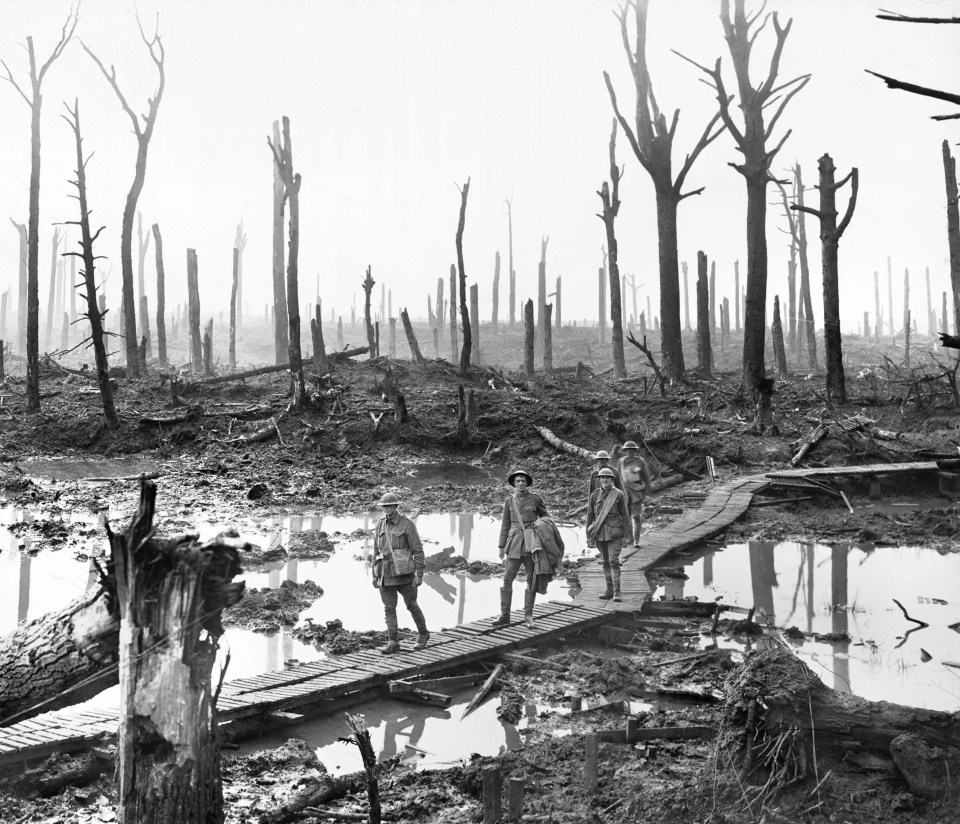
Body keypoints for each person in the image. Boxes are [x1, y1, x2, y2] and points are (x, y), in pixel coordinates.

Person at [372, 491, 428, 655]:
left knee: (411, 605)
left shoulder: (407, 525)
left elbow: (417, 550)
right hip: (385, 573)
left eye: (389, 506)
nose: (386, 509)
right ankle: (393, 641)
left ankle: (423, 635)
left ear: (396, 506)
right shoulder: (380, 524)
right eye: (384, 506)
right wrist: (374, 574)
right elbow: (376, 551)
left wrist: (419, 574)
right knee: (389, 608)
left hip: (404, 574)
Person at [493, 469, 548, 629]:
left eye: (523, 481)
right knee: (507, 578)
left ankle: (528, 616)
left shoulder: (536, 499)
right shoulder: (509, 501)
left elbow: (546, 519)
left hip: (532, 544)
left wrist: (540, 532)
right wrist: (501, 546)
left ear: (527, 483)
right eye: (518, 481)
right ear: (514, 484)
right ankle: (504, 615)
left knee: (531, 579)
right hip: (514, 544)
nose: (521, 483)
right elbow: (505, 525)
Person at [585, 466, 633, 601]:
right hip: (600, 533)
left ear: (612, 479)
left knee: (613, 561)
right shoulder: (594, 495)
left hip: (615, 533)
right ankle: (609, 591)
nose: (605, 480)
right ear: (599, 479)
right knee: (605, 562)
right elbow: (589, 516)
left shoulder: (618, 494)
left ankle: (617, 592)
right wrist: (588, 536)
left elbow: (625, 515)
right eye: (603, 477)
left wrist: (628, 536)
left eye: (608, 477)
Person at [617, 440, 652, 547]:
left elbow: (646, 478)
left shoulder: (640, 461)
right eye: (628, 450)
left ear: (635, 450)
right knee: (625, 516)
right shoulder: (621, 462)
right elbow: (617, 478)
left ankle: (636, 540)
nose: (630, 452)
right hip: (624, 492)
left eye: (632, 450)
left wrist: (647, 493)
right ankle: (628, 538)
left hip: (637, 491)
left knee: (636, 516)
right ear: (625, 451)